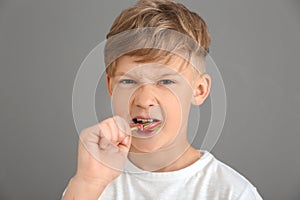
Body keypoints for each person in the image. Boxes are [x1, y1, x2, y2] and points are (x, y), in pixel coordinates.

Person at [62, 0, 263, 199]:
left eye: (166, 81)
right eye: (128, 81)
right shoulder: (90, 186)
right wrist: (88, 183)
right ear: (110, 87)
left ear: (199, 90)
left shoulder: (232, 193)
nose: (144, 100)